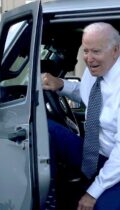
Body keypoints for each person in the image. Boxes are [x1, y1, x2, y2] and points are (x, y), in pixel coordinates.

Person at [42, 22, 120, 210]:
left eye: (96, 51)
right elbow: (87, 93)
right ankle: (48, 200)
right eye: (85, 51)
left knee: (100, 206)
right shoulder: (96, 70)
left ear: (115, 50)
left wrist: (92, 193)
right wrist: (61, 84)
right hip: (97, 154)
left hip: (116, 164)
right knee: (47, 129)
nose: (89, 58)